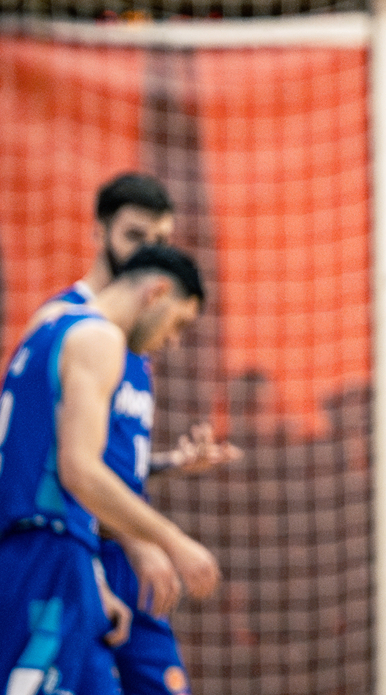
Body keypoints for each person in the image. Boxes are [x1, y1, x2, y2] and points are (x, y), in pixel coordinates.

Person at [51, 172, 240, 695]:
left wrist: (167, 462)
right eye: (135, 236)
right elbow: (65, 462)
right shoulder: (73, 327)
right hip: (80, 548)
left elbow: (104, 455)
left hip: (124, 549)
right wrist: (150, 540)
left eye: (160, 240)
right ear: (99, 231)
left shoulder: (134, 336)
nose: (148, 252)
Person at [1, 245, 221, 695]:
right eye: (178, 323)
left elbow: (38, 458)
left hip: (51, 555)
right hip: (46, 558)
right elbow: (80, 471)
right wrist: (172, 540)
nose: (173, 341)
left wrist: (93, 580)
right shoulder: (99, 339)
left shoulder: (49, 325)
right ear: (156, 292)